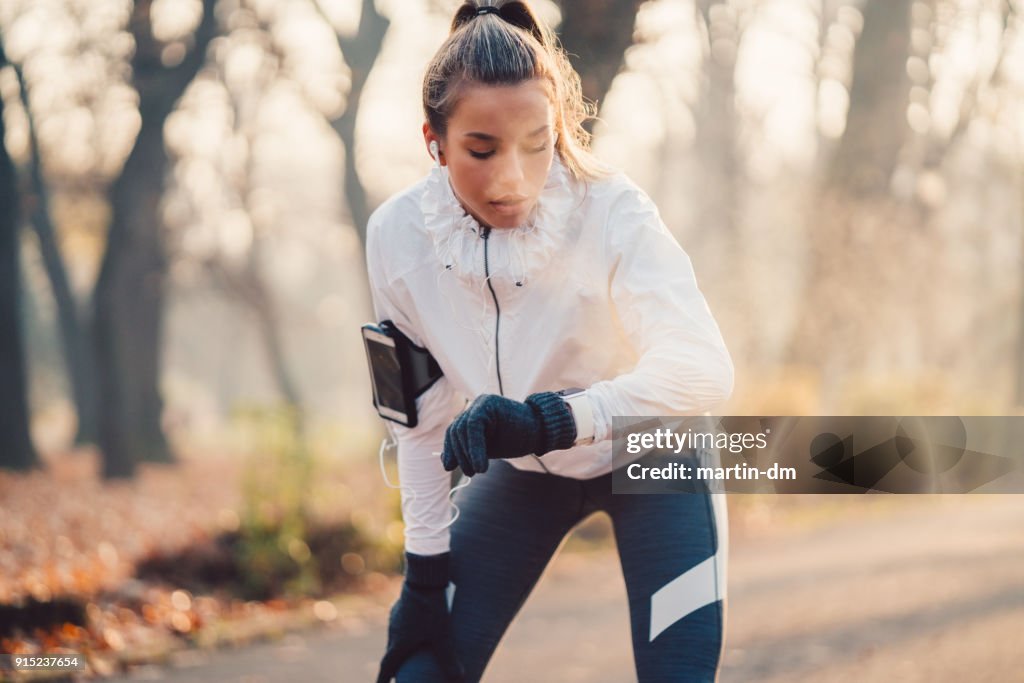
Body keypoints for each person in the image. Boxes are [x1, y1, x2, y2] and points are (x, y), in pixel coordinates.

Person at [366, 2, 734, 681]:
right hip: (527, 477)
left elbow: (704, 369)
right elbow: (418, 423)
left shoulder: (612, 211)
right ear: (434, 140)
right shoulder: (397, 239)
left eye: (538, 143)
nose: (512, 176)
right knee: (419, 671)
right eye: (482, 149)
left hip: (657, 459)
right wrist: (424, 573)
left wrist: (551, 416)